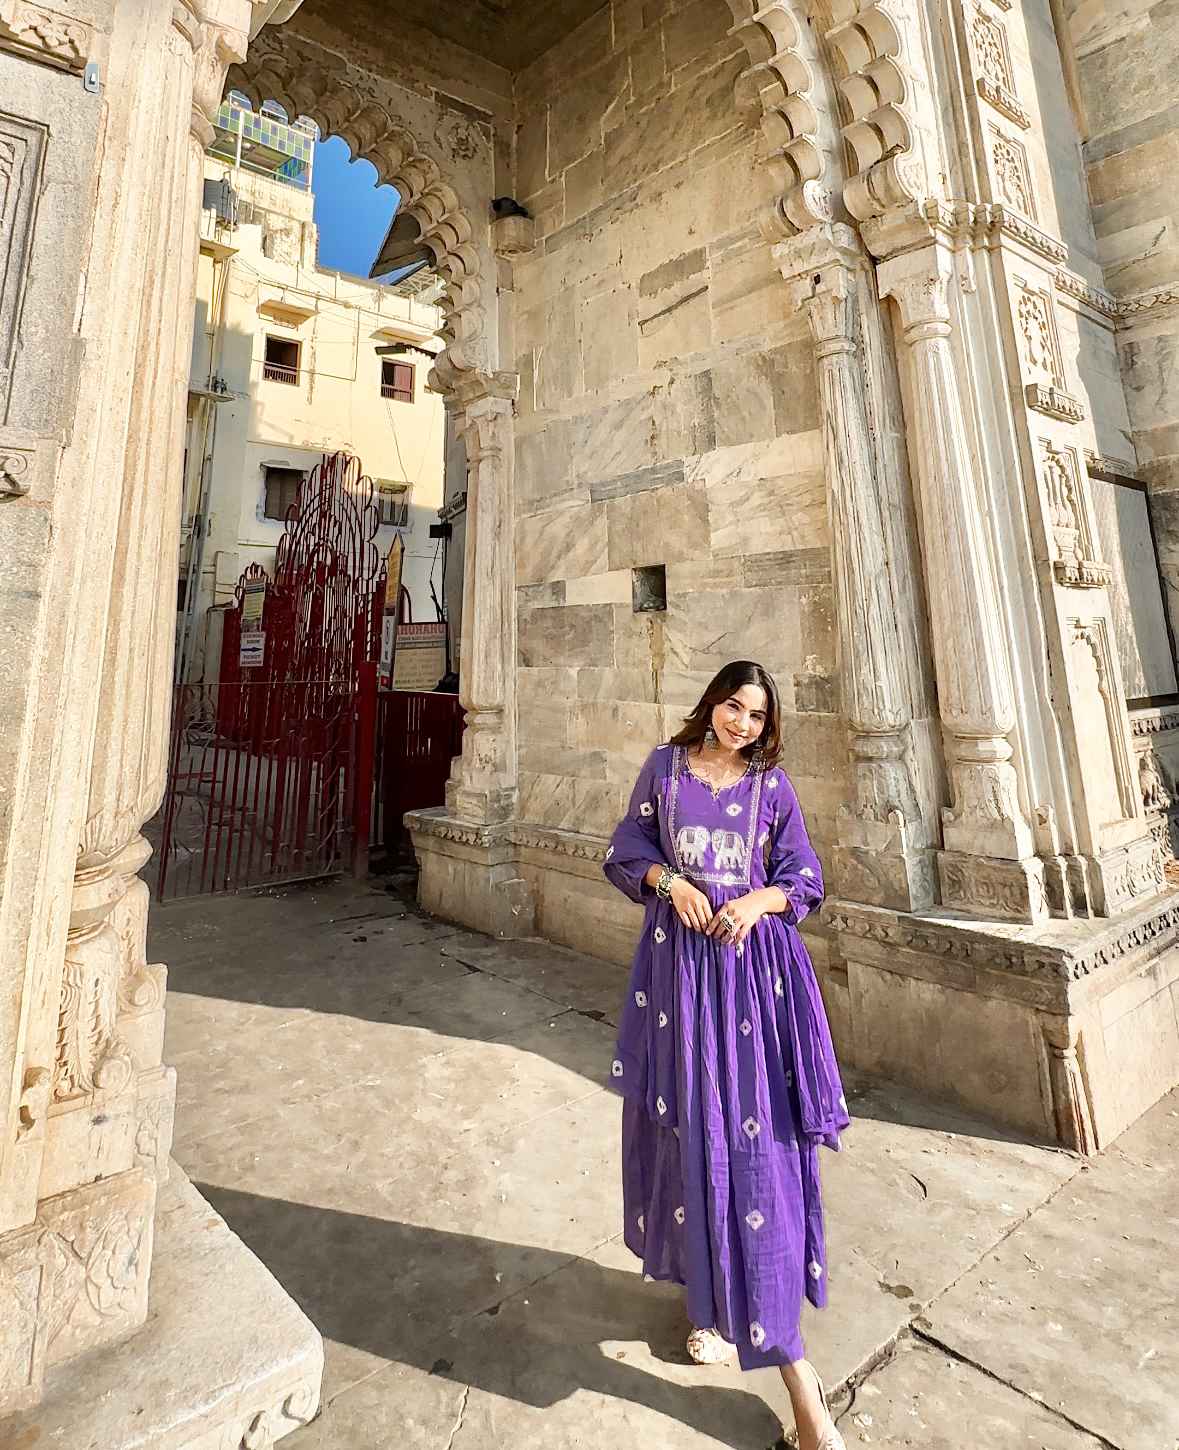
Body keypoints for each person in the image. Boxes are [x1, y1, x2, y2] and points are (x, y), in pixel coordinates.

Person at [603, 660, 849, 1450]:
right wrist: (669, 880)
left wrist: (755, 899)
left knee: (758, 1162)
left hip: (752, 991)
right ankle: (704, 1304)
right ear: (710, 704)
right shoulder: (664, 772)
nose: (741, 723)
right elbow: (626, 846)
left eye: (755, 715)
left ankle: (799, 1389)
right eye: (731, 707)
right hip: (677, 986)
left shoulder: (770, 790)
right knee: (685, 1136)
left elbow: (802, 876)